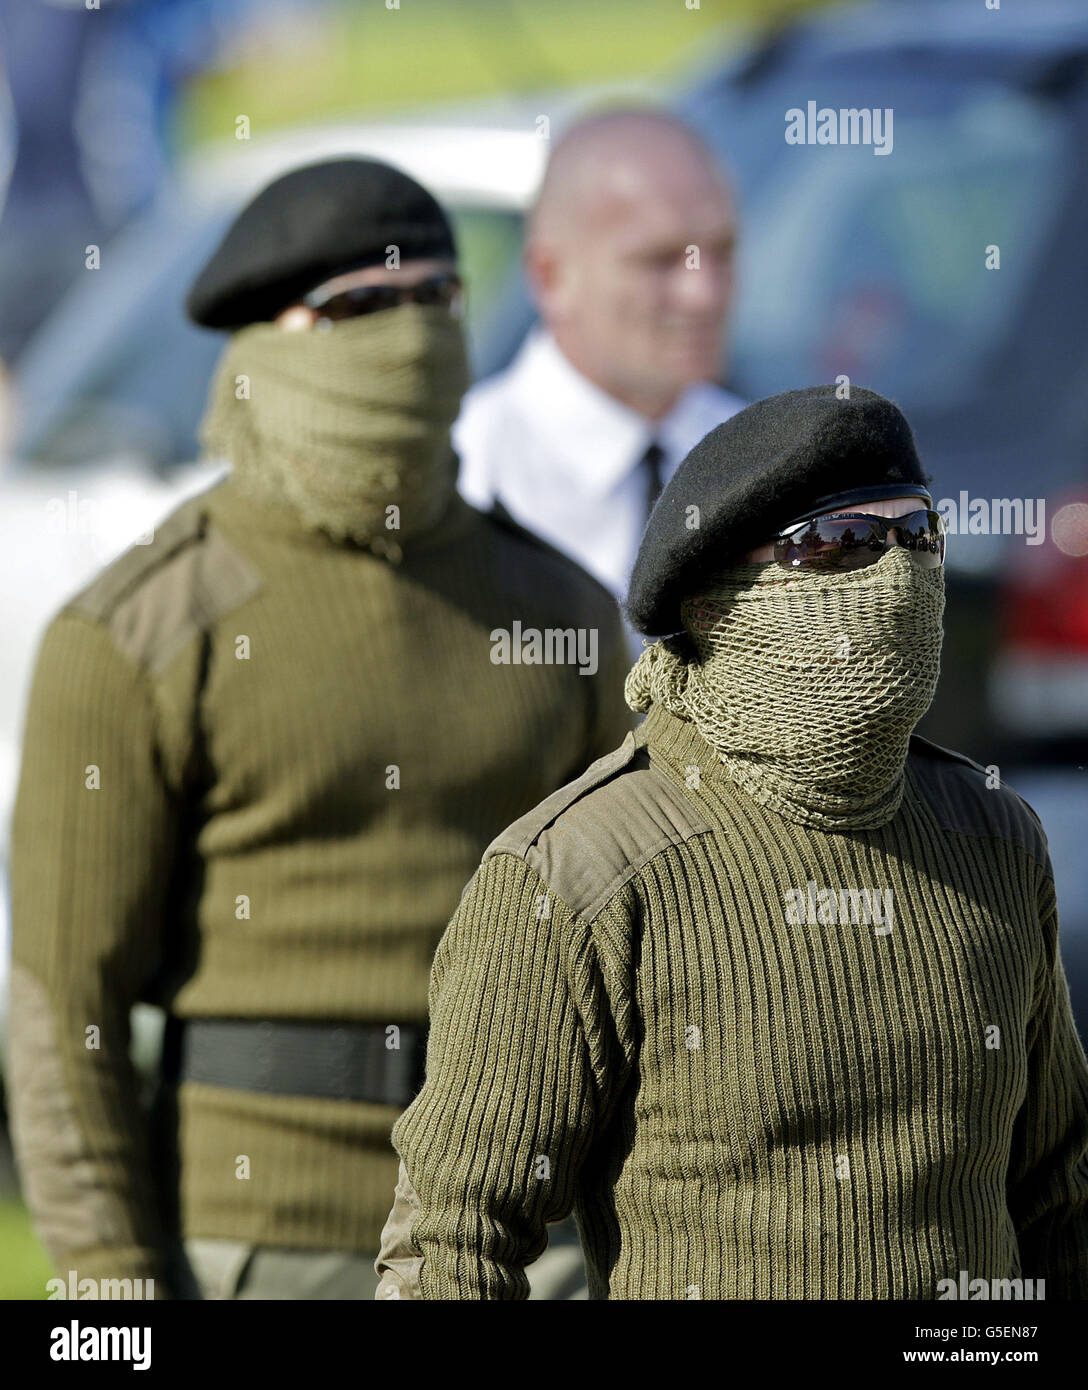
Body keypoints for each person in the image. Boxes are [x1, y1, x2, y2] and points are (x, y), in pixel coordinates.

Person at [5, 157, 633, 1301]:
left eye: (435, 300)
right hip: (259, 1240)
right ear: (263, 347)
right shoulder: (135, 634)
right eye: (358, 308)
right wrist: (109, 1289)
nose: (408, 337)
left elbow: (642, 953)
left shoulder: (564, 616)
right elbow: (62, 1009)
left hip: (520, 1243)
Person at [375, 384, 1088, 1299]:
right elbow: (453, 1244)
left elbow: (1061, 1196)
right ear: (715, 601)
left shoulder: (992, 836)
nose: (898, 575)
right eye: (840, 545)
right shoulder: (581, 873)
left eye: (919, 535)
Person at [454, 107, 745, 662]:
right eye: (659, 261)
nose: (703, 293)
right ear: (550, 276)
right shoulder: (466, 476)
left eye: (723, 252)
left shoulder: (768, 461)